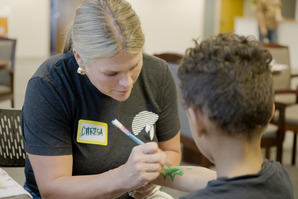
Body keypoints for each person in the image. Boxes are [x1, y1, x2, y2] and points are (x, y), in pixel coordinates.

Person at [21, 0, 188, 198]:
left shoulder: (158, 73)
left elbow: (172, 153)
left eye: (134, 66)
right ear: (80, 58)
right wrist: (122, 178)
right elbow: (53, 189)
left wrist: (153, 172)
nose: (127, 83)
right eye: (111, 73)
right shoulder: (50, 84)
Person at [155, 32, 294, 198]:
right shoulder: (279, 176)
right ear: (271, 111)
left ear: (196, 121)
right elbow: (221, 181)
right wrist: (156, 174)